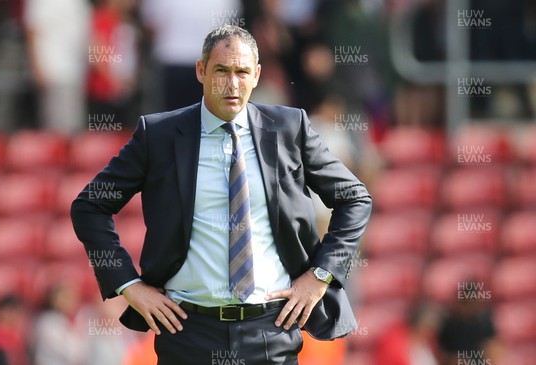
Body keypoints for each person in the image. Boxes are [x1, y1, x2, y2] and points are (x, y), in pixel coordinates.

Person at [71, 25, 372, 365]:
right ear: (201, 70)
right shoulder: (159, 135)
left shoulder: (290, 128)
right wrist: (127, 284)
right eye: (221, 71)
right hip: (186, 330)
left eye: (242, 72)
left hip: (271, 330)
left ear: (256, 75)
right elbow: (89, 206)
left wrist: (320, 276)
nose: (232, 84)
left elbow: (354, 198)